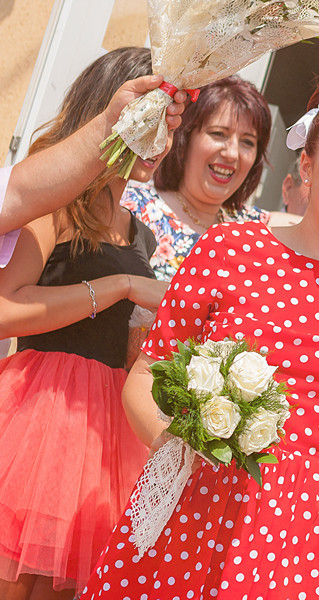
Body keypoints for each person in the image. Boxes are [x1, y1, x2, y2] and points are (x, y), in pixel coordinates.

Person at [80, 67, 319, 600]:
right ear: (306, 165)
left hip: (306, 538)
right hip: (193, 504)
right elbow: (146, 375)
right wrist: (178, 448)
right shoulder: (231, 248)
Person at [0, 47, 170, 600]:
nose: (161, 139)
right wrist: (117, 288)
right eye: (152, 119)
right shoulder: (54, 207)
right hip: (40, 409)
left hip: (108, 429)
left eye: (170, 125)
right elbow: (3, 311)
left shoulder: (142, 231)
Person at [0, 77, 186, 266]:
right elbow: (16, 195)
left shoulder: (143, 235)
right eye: (150, 124)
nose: (158, 143)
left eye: (169, 130)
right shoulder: (53, 211)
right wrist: (125, 286)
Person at [121, 76, 271, 281]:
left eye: (247, 142)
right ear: (185, 139)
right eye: (219, 134)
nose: (232, 153)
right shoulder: (132, 206)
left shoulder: (255, 228)